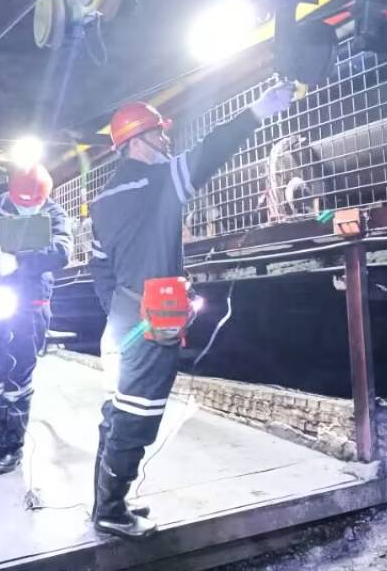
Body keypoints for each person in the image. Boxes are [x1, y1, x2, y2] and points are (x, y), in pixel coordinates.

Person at [87, 81, 295, 538]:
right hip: (150, 325)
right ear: (138, 141)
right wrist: (256, 111)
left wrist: (120, 307)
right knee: (138, 415)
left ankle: (107, 501)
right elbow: (212, 150)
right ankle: (110, 512)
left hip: (122, 321)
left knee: (116, 410)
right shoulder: (158, 182)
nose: (166, 140)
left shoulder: (102, 201)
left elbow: (99, 268)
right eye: (159, 134)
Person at [0, 163, 73, 475]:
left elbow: (62, 252)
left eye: (32, 204)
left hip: (31, 302)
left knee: (17, 372)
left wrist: (19, 260)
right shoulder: (2, 203)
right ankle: (2, 440)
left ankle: (14, 447)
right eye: (20, 202)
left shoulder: (55, 214)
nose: (25, 208)